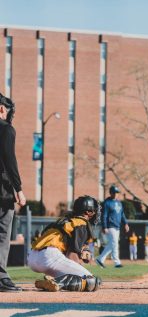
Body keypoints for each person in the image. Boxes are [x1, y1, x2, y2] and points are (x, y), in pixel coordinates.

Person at [28, 195, 102, 292]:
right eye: (93, 210)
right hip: (49, 257)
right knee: (91, 280)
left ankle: (51, 281)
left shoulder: (62, 221)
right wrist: (79, 269)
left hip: (32, 257)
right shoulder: (81, 223)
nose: (95, 213)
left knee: (75, 275)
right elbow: (71, 256)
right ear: (88, 212)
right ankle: (58, 283)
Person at [0, 92, 26, 292]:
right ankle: (0, 277)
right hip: (2, 193)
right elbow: (10, 161)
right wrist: (18, 188)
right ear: (1, 109)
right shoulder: (6, 129)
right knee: (2, 233)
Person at [96, 185, 129, 268]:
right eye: (114, 192)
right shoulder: (107, 203)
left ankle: (100, 259)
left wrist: (125, 223)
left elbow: (122, 214)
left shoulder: (119, 202)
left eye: (117, 192)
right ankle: (117, 262)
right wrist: (104, 227)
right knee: (114, 243)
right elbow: (104, 215)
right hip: (110, 226)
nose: (115, 194)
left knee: (113, 244)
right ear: (110, 193)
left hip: (117, 226)